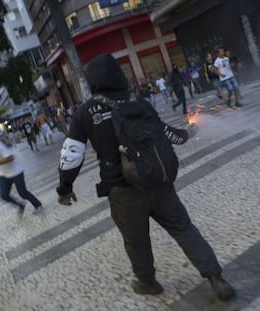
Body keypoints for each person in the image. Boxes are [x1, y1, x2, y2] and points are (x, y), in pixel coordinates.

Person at [56, 54, 235, 301]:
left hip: (123, 190)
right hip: (157, 181)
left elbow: (71, 155)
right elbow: (165, 132)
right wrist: (187, 133)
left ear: (92, 81)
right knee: (183, 228)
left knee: (136, 240)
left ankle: (148, 282)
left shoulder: (86, 112)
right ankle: (216, 278)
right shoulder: (138, 101)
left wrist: (64, 188)